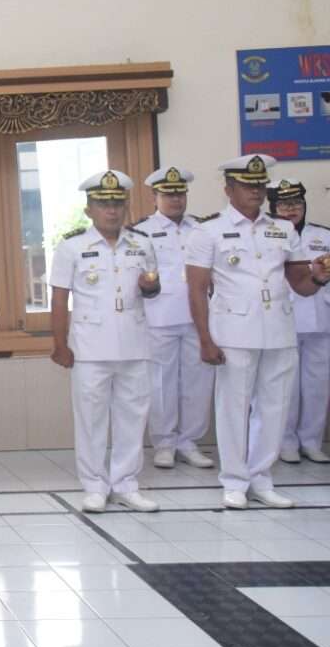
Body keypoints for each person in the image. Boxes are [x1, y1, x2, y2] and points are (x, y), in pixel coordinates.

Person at [186, 154, 330, 509]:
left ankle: (261, 477)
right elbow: (196, 289)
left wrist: (318, 276)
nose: (255, 191)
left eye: (259, 185)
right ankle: (234, 481)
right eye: (247, 185)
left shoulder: (282, 229)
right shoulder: (208, 230)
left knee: (275, 407)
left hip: (279, 329)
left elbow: (299, 282)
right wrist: (205, 339)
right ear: (228, 189)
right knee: (234, 407)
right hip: (233, 331)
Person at [49, 171, 162, 513]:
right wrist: (60, 344)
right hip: (89, 346)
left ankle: (127, 483)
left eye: (117, 203)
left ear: (126, 206)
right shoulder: (72, 247)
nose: (111, 211)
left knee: (133, 416)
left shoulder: (142, 243)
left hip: (133, 342)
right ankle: (95, 485)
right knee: (91, 418)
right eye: (103, 204)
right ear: (89, 210)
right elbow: (58, 299)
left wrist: (149, 287)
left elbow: (154, 289)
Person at [134, 166, 214, 469]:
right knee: (161, 383)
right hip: (159, 316)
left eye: (180, 193)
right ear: (155, 196)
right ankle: (164, 443)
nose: (175, 199)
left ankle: (189, 442)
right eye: (168, 194)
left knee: (198, 382)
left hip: (200, 316)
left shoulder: (203, 229)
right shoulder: (141, 231)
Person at [267, 179, 330, 464]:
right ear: (273, 207)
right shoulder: (268, 234)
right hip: (284, 320)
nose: (291, 209)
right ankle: (286, 442)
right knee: (286, 388)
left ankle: (312, 441)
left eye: (296, 204)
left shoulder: (323, 236)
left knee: (317, 385)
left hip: (320, 320)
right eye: (284, 204)